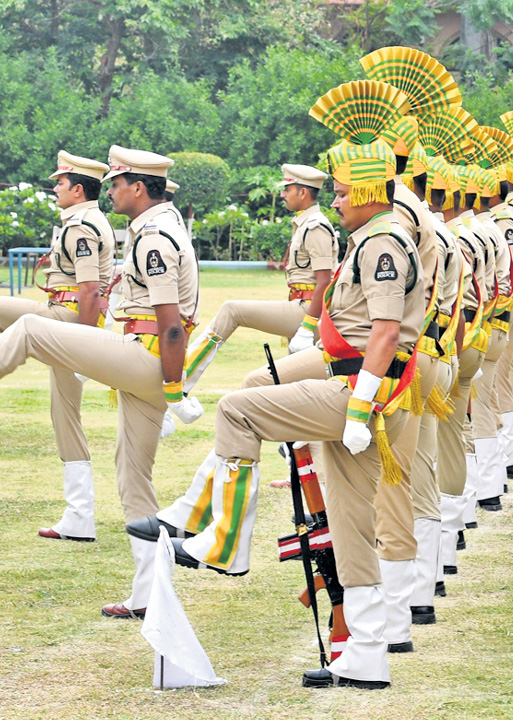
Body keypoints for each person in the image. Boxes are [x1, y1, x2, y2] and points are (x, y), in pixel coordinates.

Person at [0, 146, 199, 618]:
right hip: (149, 361)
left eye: (114, 183)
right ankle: (147, 597)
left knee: (29, 328)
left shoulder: (155, 237)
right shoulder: (157, 228)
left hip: (147, 360)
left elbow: (171, 325)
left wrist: (173, 389)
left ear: (137, 187)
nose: (108, 190)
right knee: (133, 479)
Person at [0, 152, 116, 542]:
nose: (54, 188)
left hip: (66, 319)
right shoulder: (86, 220)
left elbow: (87, 290)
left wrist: (82, 342)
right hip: (69, 318)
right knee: (64, 414)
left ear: (78, 189)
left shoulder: (81, 225)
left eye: (61, 183)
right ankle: (80, 517)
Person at [183, 164, 339, 398]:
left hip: (309, 310)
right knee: (297, 389)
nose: (283, 194)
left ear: (303, 192)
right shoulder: (305, 223)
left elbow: (325, 281)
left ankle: (183, 378)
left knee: (232, 310)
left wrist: (307, 326)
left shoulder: (315, 227)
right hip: (302, 306)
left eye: (288, 189)